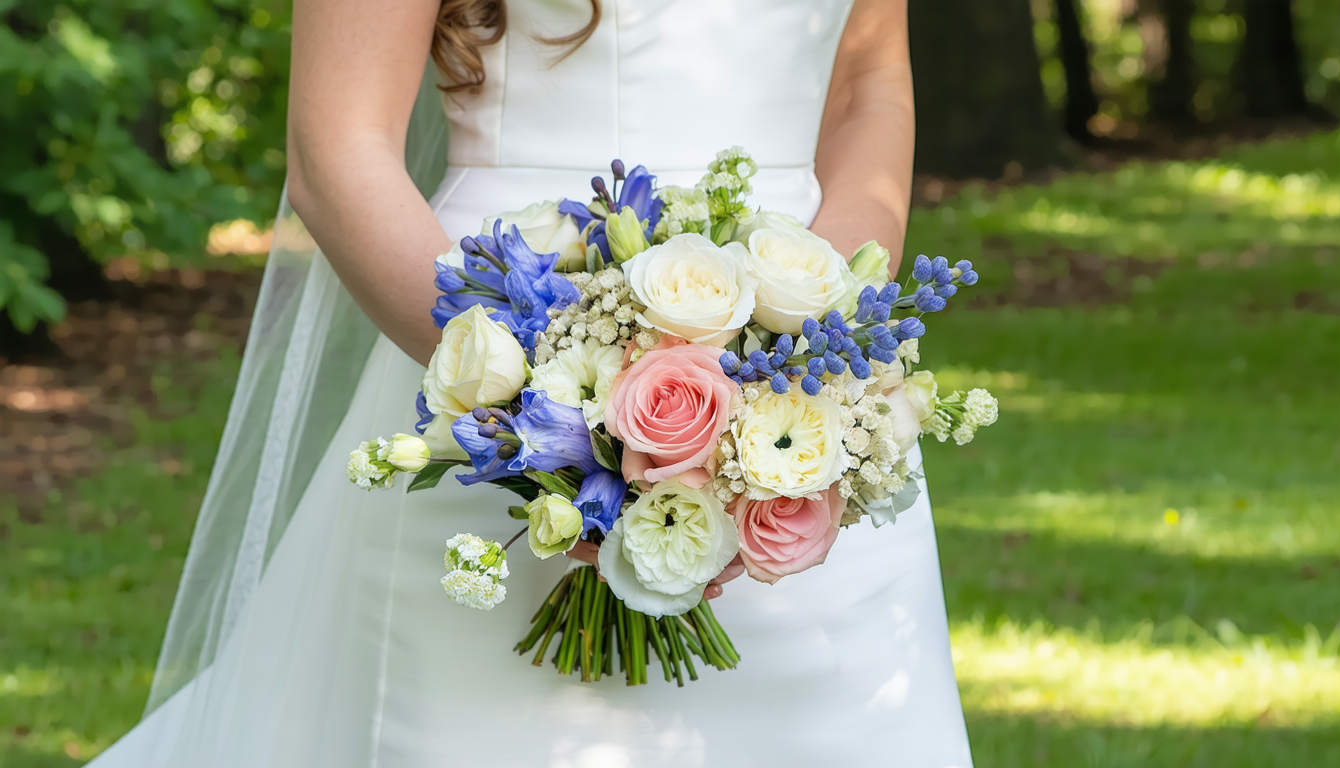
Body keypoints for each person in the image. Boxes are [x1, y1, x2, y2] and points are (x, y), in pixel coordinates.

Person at [90, 1, 974, 765]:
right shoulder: (516, 376)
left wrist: (816, 342)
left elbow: (868, 84)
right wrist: (546, 401)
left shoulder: (812, 365)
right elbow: (335, 147)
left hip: (803, 400)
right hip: (493, 329)